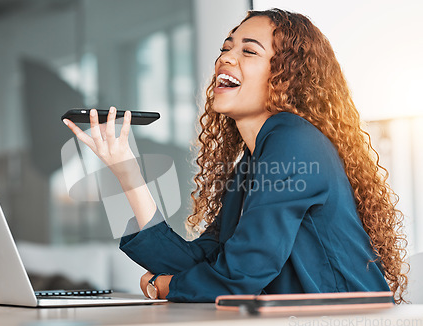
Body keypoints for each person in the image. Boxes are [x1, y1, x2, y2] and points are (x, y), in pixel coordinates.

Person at [63, 9, 407, 303]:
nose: (226, 58)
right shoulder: (253, 163)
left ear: (286, 78)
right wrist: (126, 171)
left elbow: (242, 274)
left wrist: (167, 287)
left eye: (249, 51)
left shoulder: (293, 141)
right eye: (227, 48)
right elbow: (200, 259)